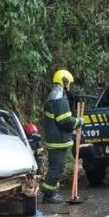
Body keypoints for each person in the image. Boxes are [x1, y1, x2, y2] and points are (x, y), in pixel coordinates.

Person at [41, 69, 83, 204]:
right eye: (69, 83)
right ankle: (48, 195)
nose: (69, 85)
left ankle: (52, 192)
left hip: (56, 139)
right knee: (57, 168)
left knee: (57, 167)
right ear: (64, 82)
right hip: (58, 140)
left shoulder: (55, 96)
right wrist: (78, 122)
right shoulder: (59, 99)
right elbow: (64, 120)